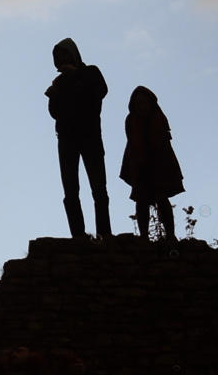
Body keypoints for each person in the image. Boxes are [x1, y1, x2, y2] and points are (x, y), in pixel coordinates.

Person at [45, 37, 112, 240]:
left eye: (63, 54)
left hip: (90, 135)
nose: (59, 59)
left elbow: (101, 91)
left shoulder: (90, 72)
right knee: (70, 190)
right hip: (66, 139)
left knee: (99, 188)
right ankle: (78, 235)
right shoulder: (58, 81)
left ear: (73, 54)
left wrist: (74, 78)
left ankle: (104, 234)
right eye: (57, 56)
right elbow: (54, 111)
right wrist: (57, 91)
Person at [120, 85, 185, 242]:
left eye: (144, 102)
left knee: (161, 198)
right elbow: (133, 142)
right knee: (141, 200)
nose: (141, 106)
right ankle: (143, 237)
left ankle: (170, 235)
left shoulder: (158, 118)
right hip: (139, 163)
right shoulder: (131, 120)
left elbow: (163, 142)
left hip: (159, 163)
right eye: (138, 103)